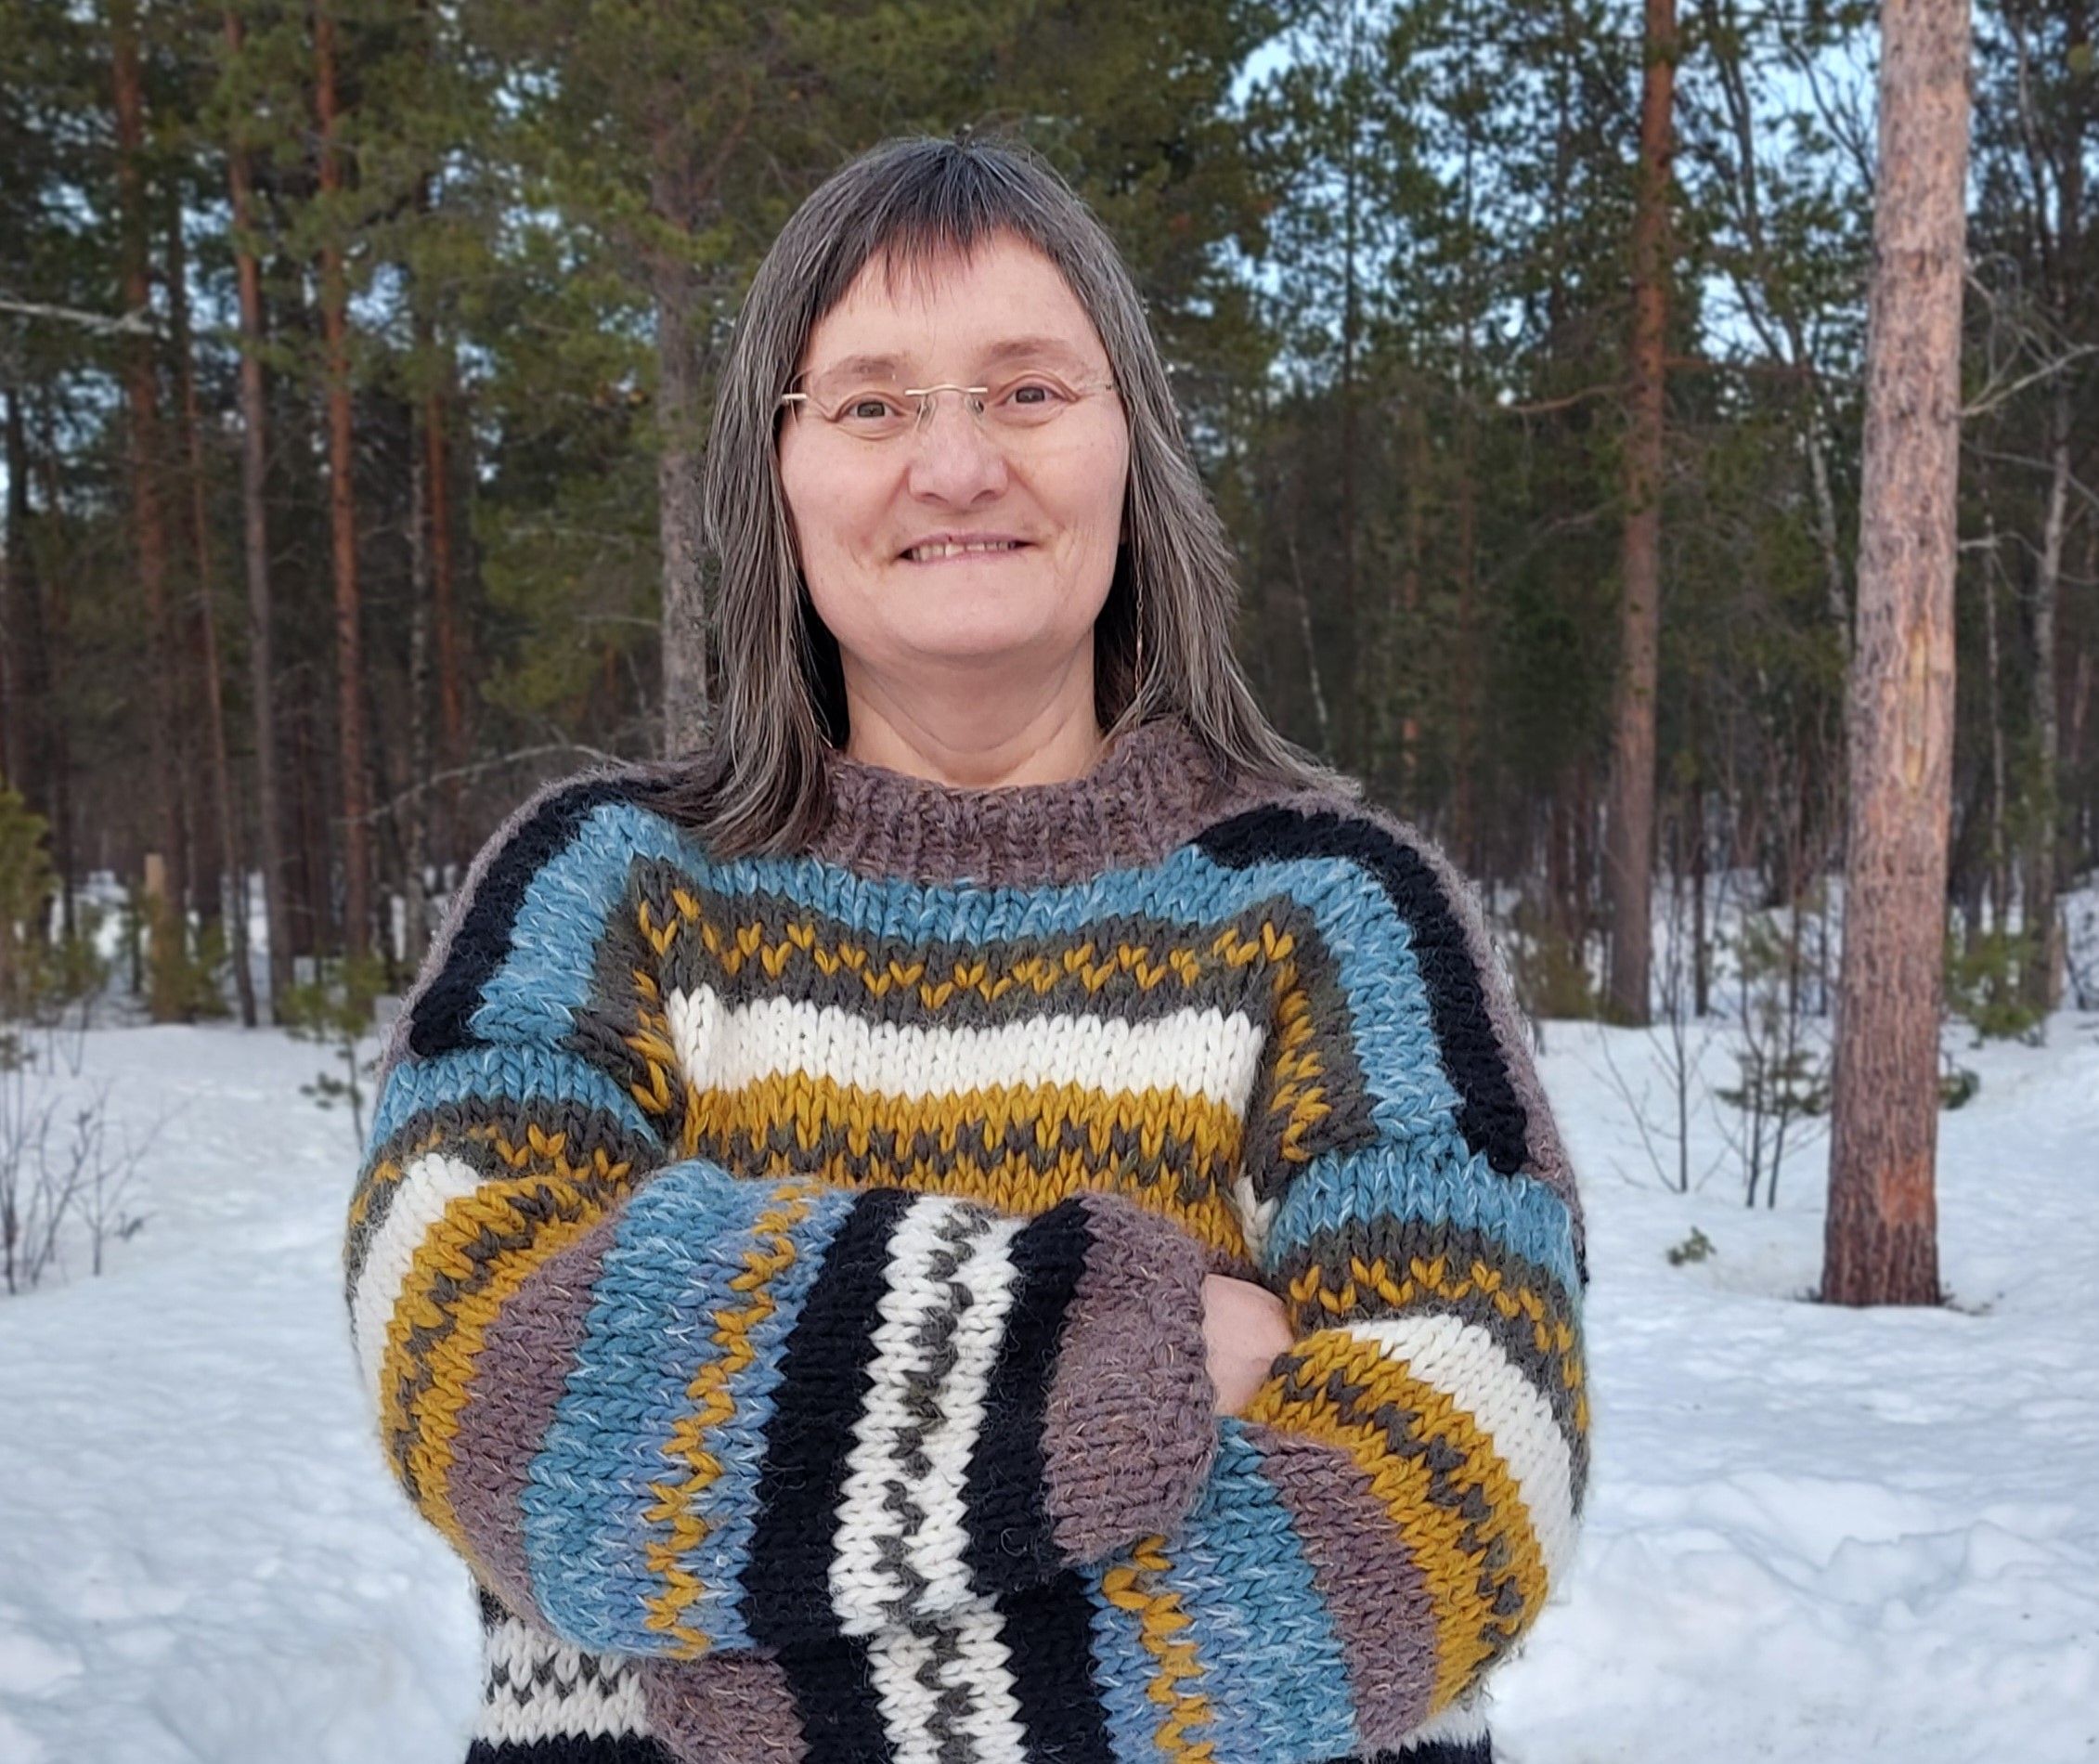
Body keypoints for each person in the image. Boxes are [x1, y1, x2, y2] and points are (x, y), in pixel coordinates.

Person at [344, 134, 1589, 1764]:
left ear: (1129, 445)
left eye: (1027, 392)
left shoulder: (1338, 913)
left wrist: (792, 1686)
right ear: (776, 473)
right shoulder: (605, 890)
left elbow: (1466, 1472)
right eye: (871, 405)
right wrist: (1131, 1346)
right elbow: (484, 1359)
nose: (955, 466)